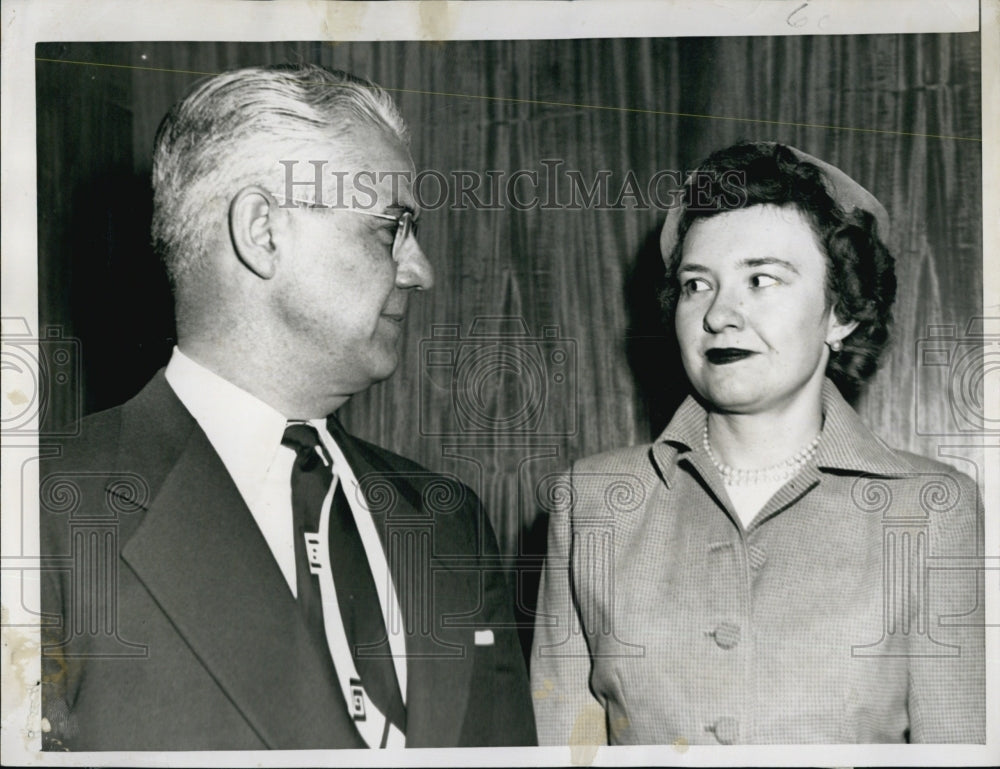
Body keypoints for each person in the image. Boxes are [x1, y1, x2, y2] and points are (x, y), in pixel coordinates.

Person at [39, 64, 536, 751]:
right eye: (390, 228)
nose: (420, 270)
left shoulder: (451, 524)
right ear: (263, 232)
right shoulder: (42, 509)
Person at [531, 141, 984, 745]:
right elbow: (564, 744)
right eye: (697, 285)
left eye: (761, 279)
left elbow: (957, 744)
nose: (720, 314)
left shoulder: (933, 509)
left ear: (841, 312)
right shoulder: (590, 501)